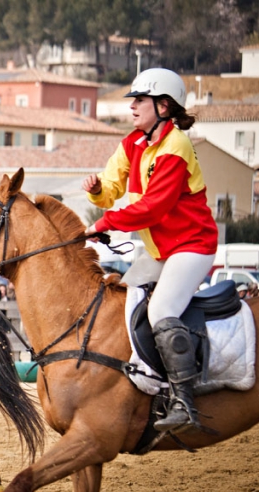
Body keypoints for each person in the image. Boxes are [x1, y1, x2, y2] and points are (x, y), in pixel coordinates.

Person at [82, 68, 218, 433]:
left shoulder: (177, 146)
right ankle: (144, 387)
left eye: (139, 100)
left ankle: (184, 402)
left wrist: (103, 223)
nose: (133, 107)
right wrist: (97, 191)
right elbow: (111, 188)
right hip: (161, 251)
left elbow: (154, 207)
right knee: (123, 304)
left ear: (163, 105)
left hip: (193, 247)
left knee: (160, 309)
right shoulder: (133, 143)